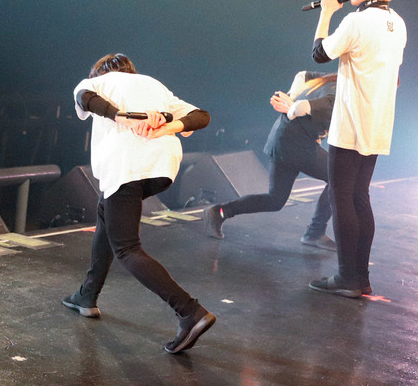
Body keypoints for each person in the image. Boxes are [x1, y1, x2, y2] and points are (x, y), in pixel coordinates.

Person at [61, 53, 216, 355]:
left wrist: (122, 117)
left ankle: (190, 312)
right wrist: (167, 124)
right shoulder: (154, 85)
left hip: (126, 167)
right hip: (162, 168)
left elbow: (85, 97)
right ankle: (87, 295)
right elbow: (201, 116)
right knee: (107, 212)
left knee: (127, 248)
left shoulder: (97, 82)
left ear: (100, 71)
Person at [307, 0, 406, 298]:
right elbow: (395, 79)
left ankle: (347, 277)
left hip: (351, 121)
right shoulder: (398, 23)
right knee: (359, 195)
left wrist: (325, 12)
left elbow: (319, 53)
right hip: (378, 122)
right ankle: (359, 277)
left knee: (341, 196)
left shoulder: (355, 21)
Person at [204, 71, 336, 249]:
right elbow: (303, 107)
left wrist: (291, 96)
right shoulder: (338, 90)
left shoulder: (326, 80)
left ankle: (219, 212)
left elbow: (303, 74)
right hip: (297, 143)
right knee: (339, 178)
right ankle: (315, 232)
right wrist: (292, 104)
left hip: (283, 139)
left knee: (275, 200)